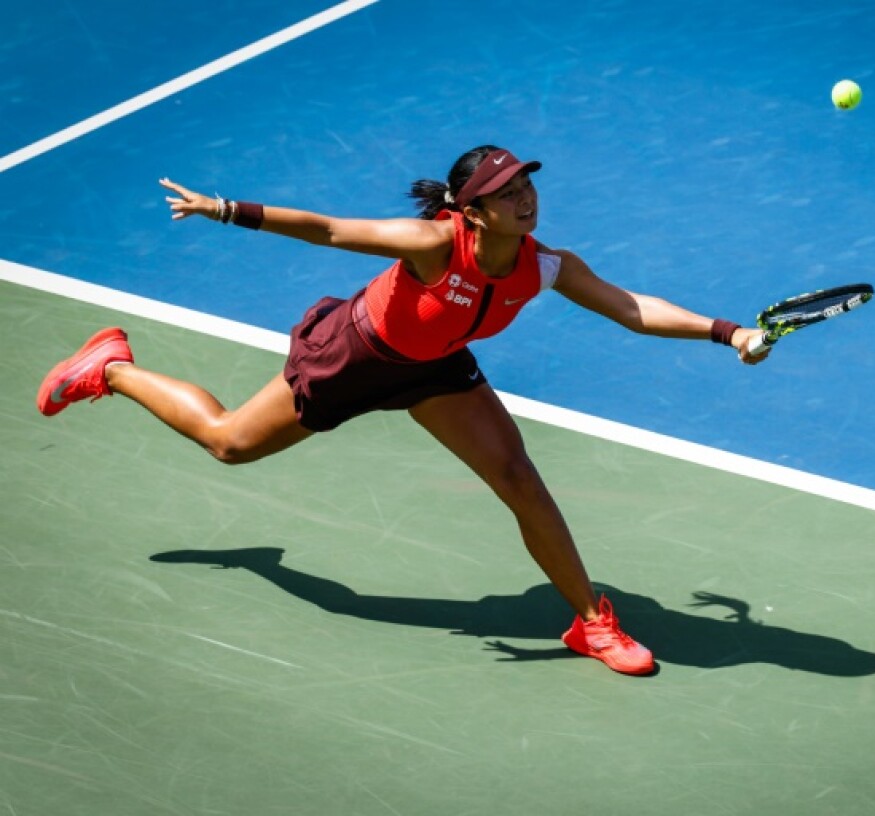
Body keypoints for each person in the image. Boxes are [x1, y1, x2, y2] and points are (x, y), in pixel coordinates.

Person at [35, 145, 769, 676]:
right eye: (507, 191)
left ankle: (590, 622)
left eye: (526, 184)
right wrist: (226, 209)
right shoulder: (431, 243)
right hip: (355, 357)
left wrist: (728, 332)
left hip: (437, 369)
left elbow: (632, 308)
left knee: (518, 476)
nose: (525, 198)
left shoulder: (546, 265)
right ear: (471, 210)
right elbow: (327, 229)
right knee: (229, 443)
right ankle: (112, 367)